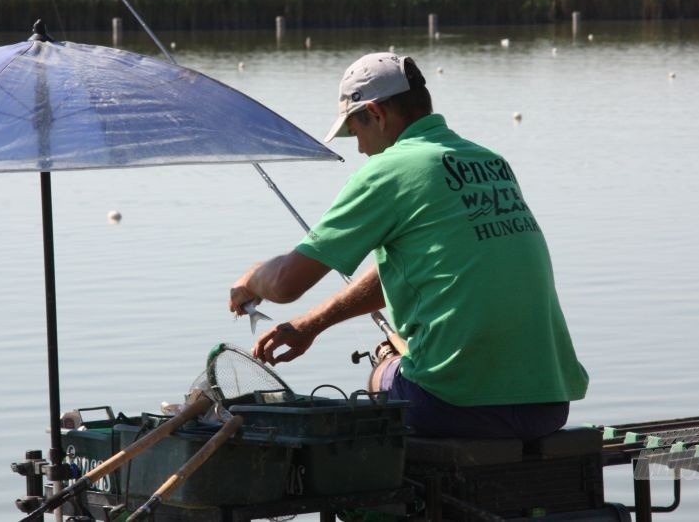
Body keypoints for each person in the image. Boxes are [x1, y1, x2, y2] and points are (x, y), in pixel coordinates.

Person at [229, 52, 588, 439]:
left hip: (451, 406)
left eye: (356, 131)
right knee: (401, 359)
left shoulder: (387, 171)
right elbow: (423, 267)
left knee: (380, 376)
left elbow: (284, 283)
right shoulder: (490, 161)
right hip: (549, 405)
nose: (361, 149)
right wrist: (310, 325)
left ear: (376, 113)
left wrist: (250, 281)